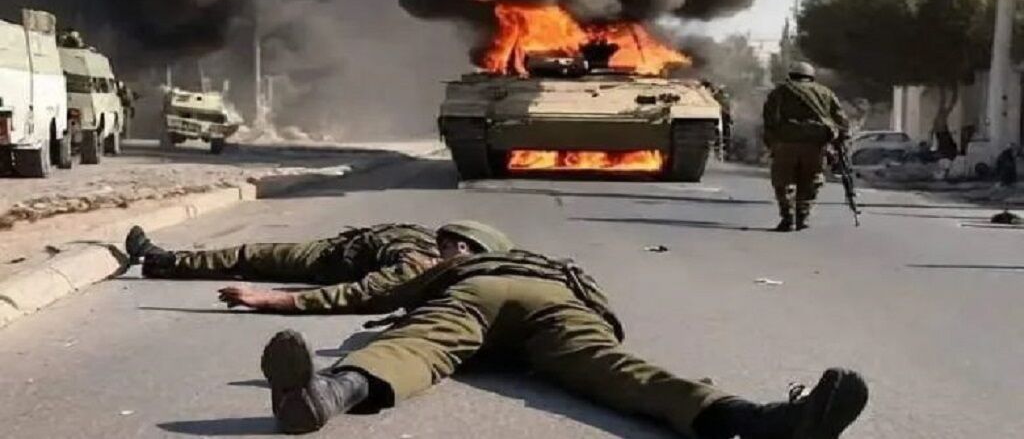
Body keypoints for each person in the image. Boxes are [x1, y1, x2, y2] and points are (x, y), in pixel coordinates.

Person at [257, 249, 869, 437]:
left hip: (475, 297)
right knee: (622, 370)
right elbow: (607, 321)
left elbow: (373, 293)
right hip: (559, 306)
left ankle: (328, 393)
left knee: (417, 345)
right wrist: (588, 335)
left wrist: (286, 300)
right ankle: (758, 421)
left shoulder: (462, 263)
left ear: (466, 246)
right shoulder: (559, 266)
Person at [124, 220, 513, 311]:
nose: (451, 245)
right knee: (252, 258)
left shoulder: (418, 268)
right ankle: (162, 262)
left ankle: (159, 260)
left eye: (460, 246)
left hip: (329, 262)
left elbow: (357, 293)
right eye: (452, 241)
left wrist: (272, 299)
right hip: (342, 246)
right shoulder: (432, 249)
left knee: (251, 257)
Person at [762, 62, 849, 232]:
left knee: (784, 181)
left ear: (791, 75)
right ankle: (802, 215)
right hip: (816, 145)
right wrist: (841, 140)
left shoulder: (780, 91)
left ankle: (788, 217)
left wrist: (771, 143)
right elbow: (840, 119)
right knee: (811, 180)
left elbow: (769, 119)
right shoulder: (825, 92)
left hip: (787, 143)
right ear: (811, 76)